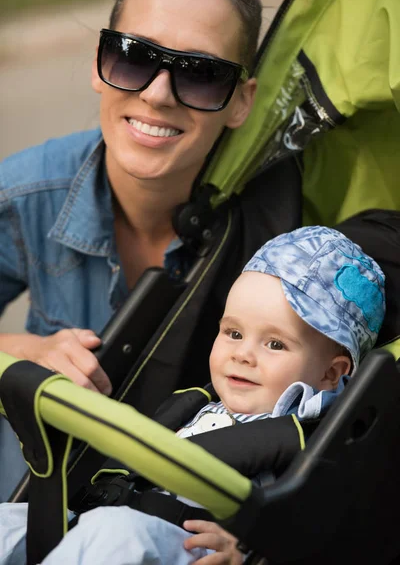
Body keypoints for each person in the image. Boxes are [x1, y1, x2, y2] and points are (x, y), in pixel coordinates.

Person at [0, 0, 272, 500]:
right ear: (99, 63)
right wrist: (28, 351)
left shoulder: (276, 228)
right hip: (33, 501)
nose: (157, 95)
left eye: (200, 72)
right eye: (134, 56)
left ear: (241, 100)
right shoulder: (26, 191)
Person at [0, 225, 386, 564]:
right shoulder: (196, 404)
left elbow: (306, 527)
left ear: (330, 373)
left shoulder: (314, 432)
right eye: (233, 333)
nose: (242, 354)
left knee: (114, 531)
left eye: (274, 344)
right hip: (99, 517)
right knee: (7, 521)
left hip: (183, 543)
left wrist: (247, 550)